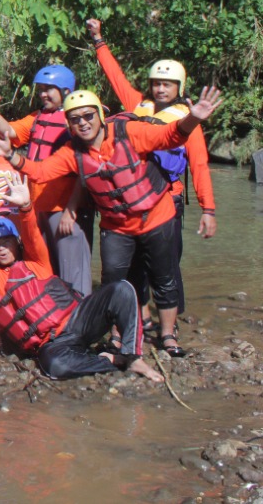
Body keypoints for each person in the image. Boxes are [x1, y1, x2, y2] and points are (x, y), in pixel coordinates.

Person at [0, 85, 223, 357]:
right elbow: (40, 172)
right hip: (116, 226)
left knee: (164, 278)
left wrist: (195, 118)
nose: (83, 123)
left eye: (88, 116)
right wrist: (12, 155)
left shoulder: (130, 132)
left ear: (99, 115)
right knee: (113, 282)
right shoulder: (72, 153)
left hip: (157, 216)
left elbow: (170, 135)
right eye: (75, 119)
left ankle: (168, 335)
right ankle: (118, 336)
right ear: (70, 125)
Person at [0, 183, 164, 383]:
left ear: (16, 243)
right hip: (52, 343)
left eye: (6, 242)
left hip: (78, 320)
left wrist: (26, 207)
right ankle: (112, 362)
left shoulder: (35, 259)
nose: (1, 248)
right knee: (53, 367)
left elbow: (31, 233)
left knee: (122, 289)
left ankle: (133, 356)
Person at [86, 17, 216, 320]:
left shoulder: (187, 121)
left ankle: (173, 318)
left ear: (178, 87)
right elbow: (115, 77)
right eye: (156, 83)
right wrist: (98, 41)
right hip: (133, 201)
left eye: (167, 85)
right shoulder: (136, 104)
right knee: (135, 267)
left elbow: (199, 166)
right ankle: (140, 316)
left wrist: (208, 210)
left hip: (167, 199)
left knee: (167, 264)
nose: (160, 89)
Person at [0, 64, 92, 296]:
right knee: (47, 267)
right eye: (41, 89)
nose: (43, 94)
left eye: (49, 89)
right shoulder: (38, 117)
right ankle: (55, 314)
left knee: (72, 270)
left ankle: (80, 315)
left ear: (65, 91)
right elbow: (9, 133)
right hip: (39, 206)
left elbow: (84, 172)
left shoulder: (75, 122)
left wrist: (70, 211)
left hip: (62, 209)